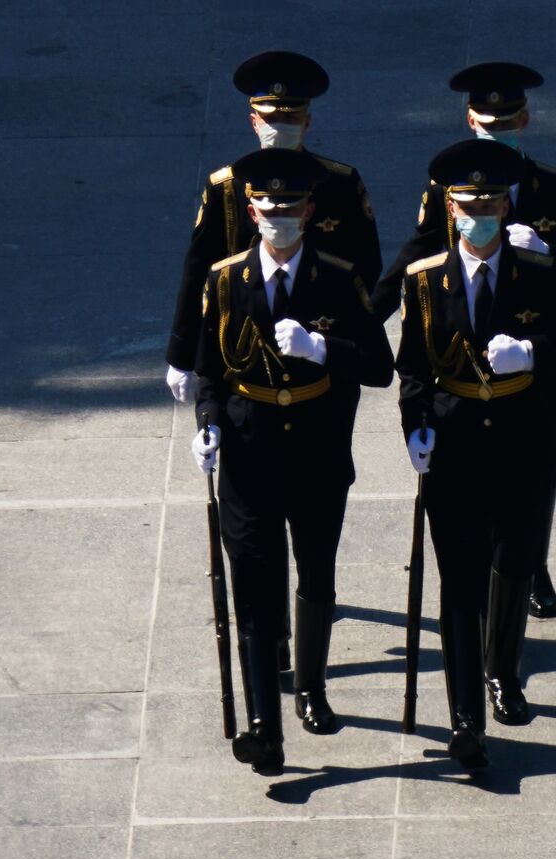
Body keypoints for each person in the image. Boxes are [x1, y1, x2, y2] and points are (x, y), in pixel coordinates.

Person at [394, 139, 556, 769]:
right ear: (450, 208)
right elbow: (413, 369)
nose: (480, 211)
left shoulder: (540, 271)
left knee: (515, 561)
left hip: (525, 436)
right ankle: (465, 717)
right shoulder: (425, 280)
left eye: (491, 200)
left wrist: (535, 354)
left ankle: (503, 675)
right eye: (468, 202)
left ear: (507, 203)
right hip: (455, 443)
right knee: (459, 579)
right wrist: (414, 427)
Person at [168, 50, 382, 670]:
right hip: (242, 356)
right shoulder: (228, 185)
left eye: (292, 115)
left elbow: (366, 270)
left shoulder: (339, 182)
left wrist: (345, 338)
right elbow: (197, 273)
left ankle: (311, 615)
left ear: (309, 121)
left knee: (317, 483)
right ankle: (273, 633)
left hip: (318, 354)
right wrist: (183, 353)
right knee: (254, 514)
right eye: (269, 114)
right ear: (250, 118)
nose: (280, 124)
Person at [374, 61, 556, 621]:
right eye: (484, 119)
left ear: (524, 119)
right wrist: (367, 313)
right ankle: (512, 568)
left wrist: (550, 257)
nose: (494, 128)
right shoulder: (449, 187)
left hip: (539, 364)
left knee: (538, 473)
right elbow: (420, 251)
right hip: (467, 357)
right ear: (469, 119)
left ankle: (533, 566)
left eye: (506, 119)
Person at [191, 148, 394, 775]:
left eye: (291, 208)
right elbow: (210, 370)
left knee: (315, 571)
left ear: (309, 211)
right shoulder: (226, 280)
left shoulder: (337, 277)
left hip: (315, 449)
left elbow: (380, 367)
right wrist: (207, 425)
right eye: (267, 207)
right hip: (250, 457)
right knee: (253, 584)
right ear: (251, 211)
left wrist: (322, 347)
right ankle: (264, 728)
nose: (278, 217)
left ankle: (311, 690)